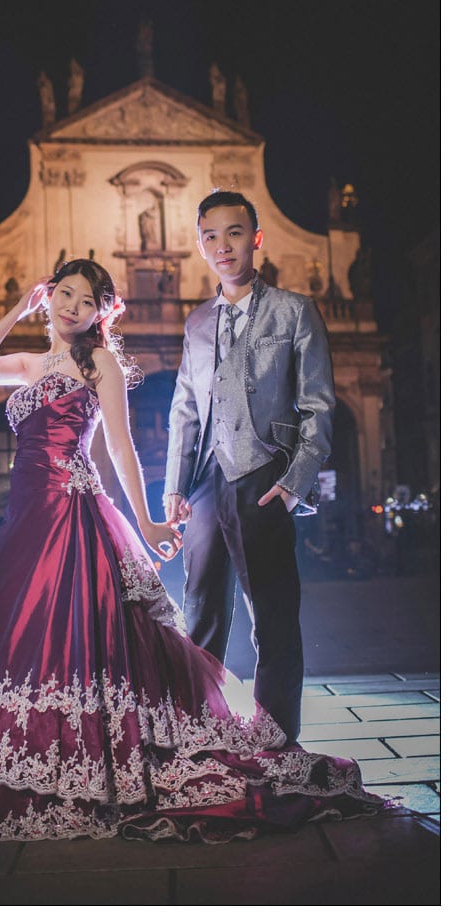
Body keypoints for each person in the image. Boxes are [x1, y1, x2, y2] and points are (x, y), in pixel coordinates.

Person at [0, 258, 384, 842]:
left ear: (101, 313)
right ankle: (32, 746)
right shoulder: (28, 365)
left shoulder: (97, 362)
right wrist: (17, 310)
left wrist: (149, 521)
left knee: (78, 634)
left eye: (87, 300)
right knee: (20, 633)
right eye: (65, 294)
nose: (73, 306)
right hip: (23, 519)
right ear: (49, 296)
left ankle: (88, 753)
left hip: (70, 511)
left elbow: (122, 451)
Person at [165, 190, 334, 745]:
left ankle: (277, 740)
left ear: (255, 238)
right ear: (200, 245)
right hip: (209, 480)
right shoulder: (195, 324)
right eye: (210, 236)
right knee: (202, 612)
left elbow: (318, 406)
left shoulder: (295, 311)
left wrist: (294, 484)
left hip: (266, 474)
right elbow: (185, 409)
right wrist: (174, 486)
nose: (223, 245)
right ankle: (200, 734)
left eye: (234, 232)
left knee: (274, 616)